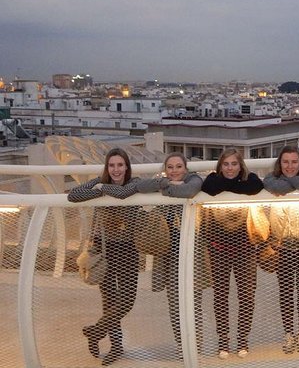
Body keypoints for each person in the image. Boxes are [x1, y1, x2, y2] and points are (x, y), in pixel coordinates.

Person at [69, 148, 140, 366]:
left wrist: (104, 189)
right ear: (106, 168)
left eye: (120, 165)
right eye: (111, 165)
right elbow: (73, 195)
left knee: (126, 300)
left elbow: (124, 194)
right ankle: (116, 347)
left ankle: (95, 332)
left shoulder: (134, 184)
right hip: (103, 249)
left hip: (128, 249)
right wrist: (99, 188)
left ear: (127, 167)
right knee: (109, 301)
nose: (116, 169)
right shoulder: (98, 183)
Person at [136, 152, 210, 357]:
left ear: (185, 168)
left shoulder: (193, 179)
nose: (175, 171)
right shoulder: (162, 182)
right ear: (165, 169)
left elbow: (191, 189)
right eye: (170, 167)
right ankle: (181, 345)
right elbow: (140, 186)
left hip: (191, 255)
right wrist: (164, 184)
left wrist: (166, 189)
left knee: (193, 302)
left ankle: (196, 345)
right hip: (168, 255)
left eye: (179, 167)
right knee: (174, 303)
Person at [201, 148, 264, 359]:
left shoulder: (250, 179)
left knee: (246, 296)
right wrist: (236, 186)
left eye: (234, 164)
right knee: (220, 296)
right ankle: (223, 341)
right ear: (220, 166)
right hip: (218, 250)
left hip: (246, 251)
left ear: (241, 166)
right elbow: (209, 186)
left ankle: (243, 339)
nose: (230, 168)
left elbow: (256, 185)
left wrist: (231, 187)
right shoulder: (213, 180)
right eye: (226, 164)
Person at [263, 146, 299, 354]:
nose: (289, 166)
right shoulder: (271, 178)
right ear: (280, 163)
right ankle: (289, 333)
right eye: (285, 162)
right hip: (281, 246)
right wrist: (295, 183)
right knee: (286, 291)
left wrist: (286, 183)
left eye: (294, 162)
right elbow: (269, 183)